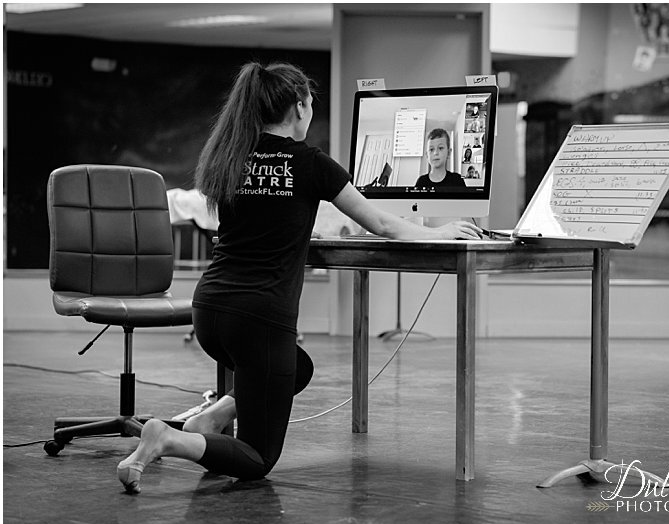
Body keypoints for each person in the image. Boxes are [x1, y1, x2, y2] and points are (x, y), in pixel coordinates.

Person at [116, 61, 481, 493]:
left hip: (210, 312)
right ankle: (168, 437)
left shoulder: (232, 155)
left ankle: (212, 418)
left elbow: (264, 219)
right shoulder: (311, 164)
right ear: (300, 106)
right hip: (257, 319)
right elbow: (382, 225)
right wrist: (438, 233)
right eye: (310, 104)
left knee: (297, 367)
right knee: (257, 459)